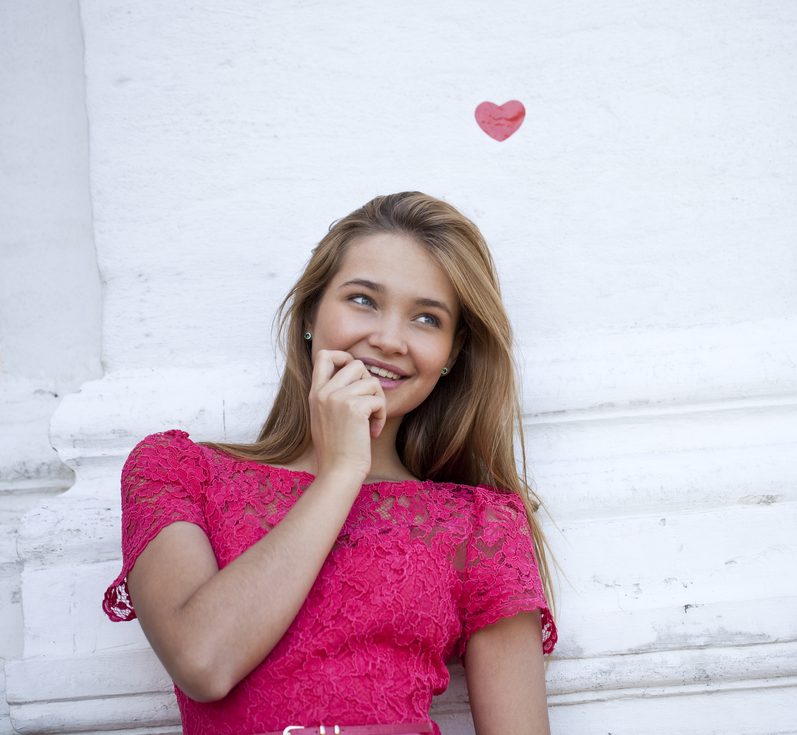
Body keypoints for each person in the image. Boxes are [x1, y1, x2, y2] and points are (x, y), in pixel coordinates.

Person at [101, 192, 559, 735]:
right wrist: (342, 472)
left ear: (451, 356)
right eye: (363, 300)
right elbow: (204, 662)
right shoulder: (176, 471)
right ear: (310, 315)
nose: (389, 339)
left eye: (427, 318)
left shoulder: (481, 524)